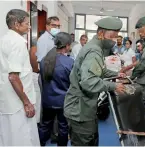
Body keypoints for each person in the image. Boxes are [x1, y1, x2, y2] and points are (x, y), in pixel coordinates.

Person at [64, 17, 126, 146]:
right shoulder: (94, 51)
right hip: (80, 110)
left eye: (116, 37)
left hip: (84, 107)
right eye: (112, 36)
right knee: (85, 141)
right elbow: (88, 82)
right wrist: (113, 86)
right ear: (100, 34)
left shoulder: (94, 47)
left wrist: (116, 74)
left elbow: (98, 70)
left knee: (90, 139)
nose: (114, 40)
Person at [0, 9, 40, 146]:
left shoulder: (4, 39)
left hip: (8, 100)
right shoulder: (17, 43)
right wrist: (27, 103)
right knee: (22, 139)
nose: (29, 27)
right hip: (18, 103)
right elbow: (13, 77)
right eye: (27, 23)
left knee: (8, 138)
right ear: (17, 24)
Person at [38, 32, 73, 146]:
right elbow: (73, 82)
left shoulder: (44, 60)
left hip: (47, 100)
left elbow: (42, 80)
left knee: (45, 125)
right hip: (63, 101)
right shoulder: (69, 62)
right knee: (63, 127)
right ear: (67, 45)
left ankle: (40, 144)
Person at [36, 16, 61, 143]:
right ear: (47, 26)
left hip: (54, 76)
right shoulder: (43, 40)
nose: (56, 28)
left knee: (55, 105)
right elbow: (41, 62)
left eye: (58, 26)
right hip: (47, 77)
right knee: (46, 107)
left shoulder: (54, 39)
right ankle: (43, 136)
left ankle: (54, 134)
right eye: (54, 25)